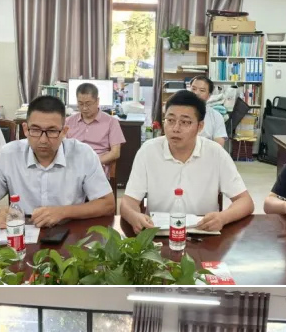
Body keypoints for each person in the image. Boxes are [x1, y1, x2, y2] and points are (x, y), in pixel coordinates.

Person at [122, 90, 255, 233]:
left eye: (185, 122)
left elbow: (245, 202)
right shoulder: (148, 151)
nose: (175, 128)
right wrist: (134, 216)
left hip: (203, 234)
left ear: (200, 126)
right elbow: (128, 202)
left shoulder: (216, 153)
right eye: (170, 120)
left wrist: (223, 218)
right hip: (157, 235)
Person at [0, 95, 115, 229]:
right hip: (23, 232)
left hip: (70, 231)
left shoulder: (83, 154)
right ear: (25, 129)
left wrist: (63, 212)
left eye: (52, 131)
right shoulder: (8, 154)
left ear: (64, 132)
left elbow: (107, 204)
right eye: (35, 130)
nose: (43, 140)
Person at [66, 82, 126, 176]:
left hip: (97, 167)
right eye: (80, 104)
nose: (84, 108)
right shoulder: (68, 122)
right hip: (72, 167)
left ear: (97, 101)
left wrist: (92, 162)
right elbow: (61, 148)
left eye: (88, 104)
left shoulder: (111, 122)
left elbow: (115, 153)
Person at [188, 75, 227, 147]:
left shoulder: (216, 116)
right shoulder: (178, 112)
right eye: (193, 89)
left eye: (202, 90)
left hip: (206, 152)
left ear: (209, 96)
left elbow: (218, 146)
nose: (196, 93)